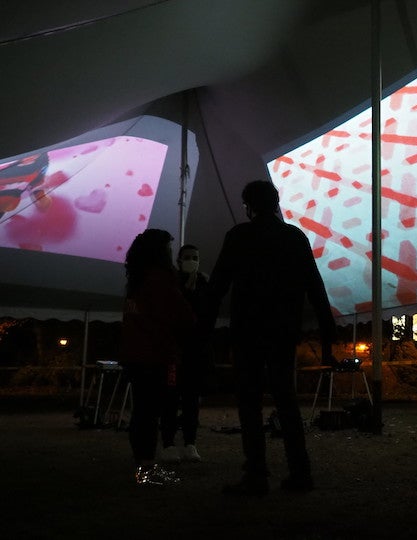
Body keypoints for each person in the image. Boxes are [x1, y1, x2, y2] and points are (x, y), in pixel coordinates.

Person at [206, 180, 336, 496]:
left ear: (249, 206)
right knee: (286, 400)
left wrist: (204, 330)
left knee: (249, 403)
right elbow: (316, 289)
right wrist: (328, 340)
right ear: (276, 203)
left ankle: (256, 475)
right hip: (283, 331)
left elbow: (217, 286)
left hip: (247, 332)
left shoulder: (239, 236)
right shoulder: (294, 237)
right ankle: (300, 472)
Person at [120, 229, 196, 485]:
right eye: (168, 248)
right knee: (152, 412)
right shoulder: (161, 281)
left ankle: (143, 465)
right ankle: (147, 470)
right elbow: (182, 317)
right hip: (157, 356)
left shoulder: (136, 281)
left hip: (135, 355)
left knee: (141, 411)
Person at [160, 244, 213, 463]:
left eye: (195, 257)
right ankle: (169, 444)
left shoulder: (203, 282)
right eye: (188, 257)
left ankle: (191, 444)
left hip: (195, 352)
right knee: (170, 399)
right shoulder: (171, 283)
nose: (192, 261)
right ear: (179, 261)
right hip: (173, 351)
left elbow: (206, 313)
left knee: (191, 400)